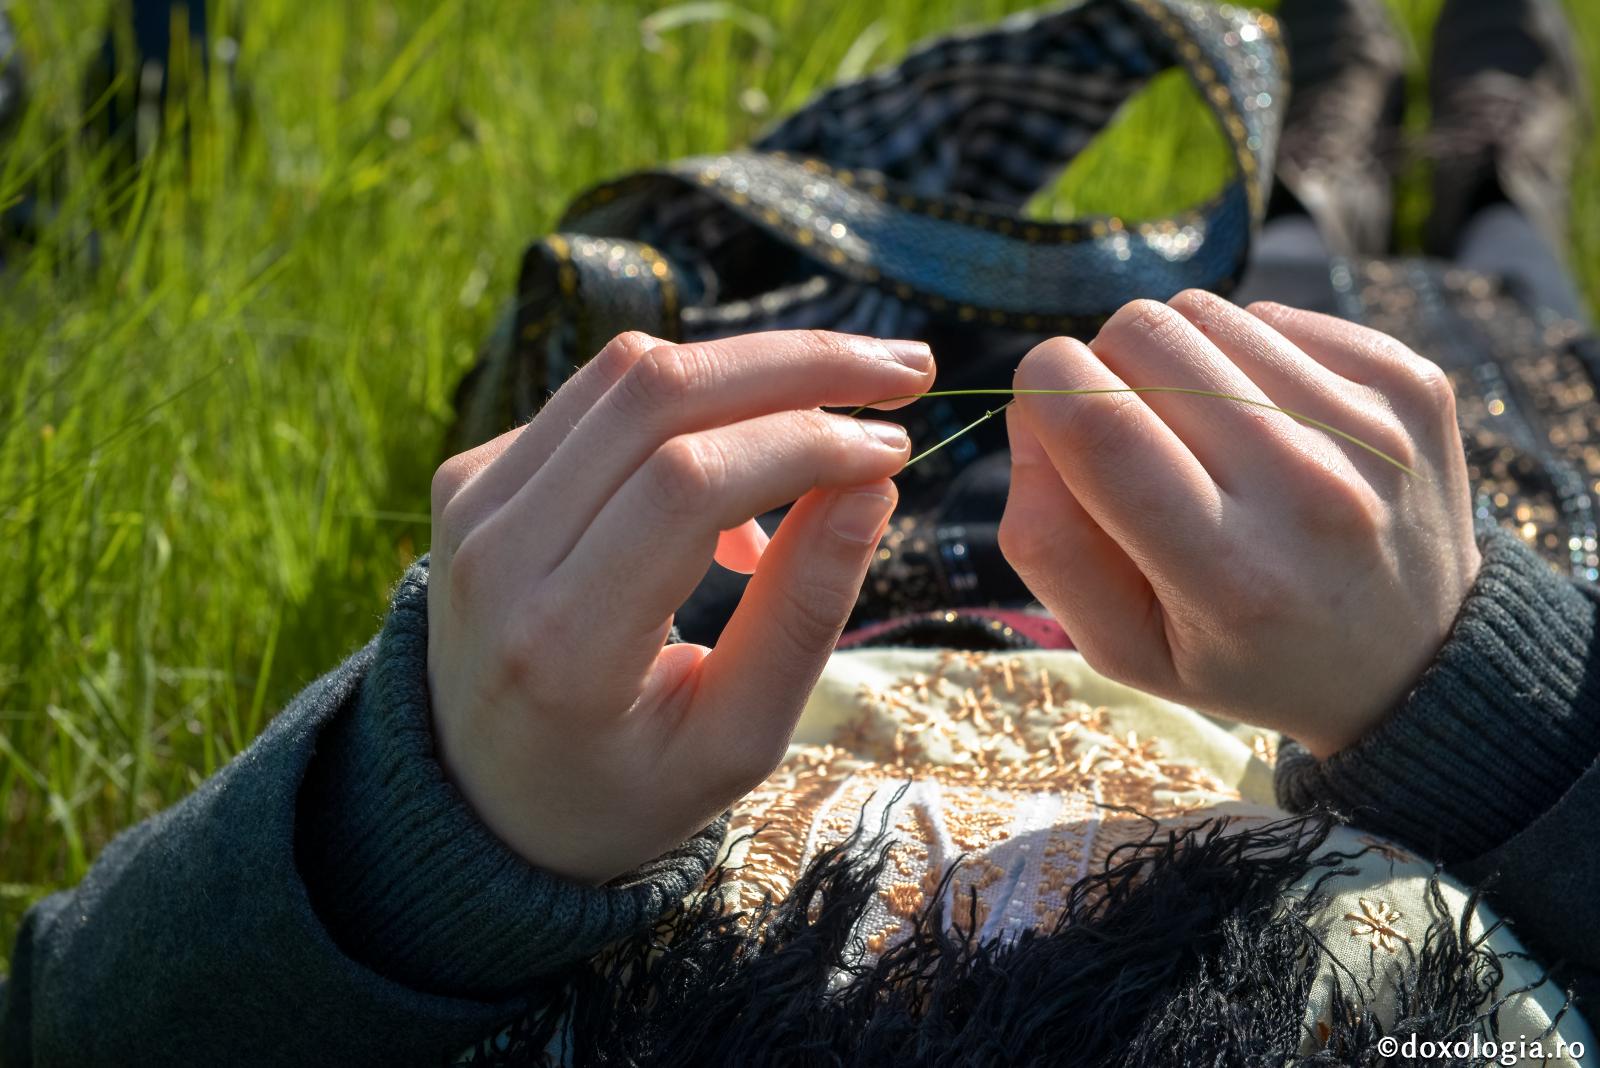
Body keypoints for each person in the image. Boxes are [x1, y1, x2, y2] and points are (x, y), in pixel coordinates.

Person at [3, 0, 1598, 1064]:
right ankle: (1471, 161)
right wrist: (1480, 709)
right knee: (1444, 313)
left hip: (858, 576)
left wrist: (440, 833)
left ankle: (1336, 140)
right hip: (1406, 622)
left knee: (1234, 306)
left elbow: (76, 1036)